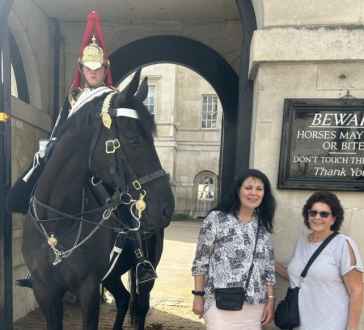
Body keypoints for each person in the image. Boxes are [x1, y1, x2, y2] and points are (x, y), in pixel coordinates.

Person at [9, 10, 156, 288]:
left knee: (124, 206)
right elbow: (58, 129)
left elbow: (114, 134)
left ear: (105, 68)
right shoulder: (73, 97)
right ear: (82, 69)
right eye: (88, 68)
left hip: (97, 162)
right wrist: (46, 149)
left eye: (97, 67)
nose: (92, 72)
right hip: (63, 157)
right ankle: (37, 263)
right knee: (21, 196)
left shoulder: (110, 98)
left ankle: (140, 259)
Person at [192, 169, 276, 330]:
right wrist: (198, 296)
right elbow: (200, 261)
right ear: (238, 190)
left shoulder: (263, 226)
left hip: (254, 304)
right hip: (220, 301)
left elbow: (268, 269)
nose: (254, 193)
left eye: (259, 189)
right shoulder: (216, 219)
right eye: (248, 188)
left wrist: (270, 300)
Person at [275, 191, 364, 330]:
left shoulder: (343, 244)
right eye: (313, 213)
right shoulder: (302, 242)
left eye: (324, 214)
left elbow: (357, 291)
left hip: (330, 324)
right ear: (307, 215)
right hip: (299, 324)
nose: (317, 217)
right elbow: (297, 276)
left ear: (333, 219)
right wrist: (268, 261)